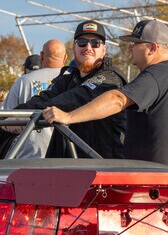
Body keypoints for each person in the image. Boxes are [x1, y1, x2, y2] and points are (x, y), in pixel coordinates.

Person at [43, 20, 168, 172]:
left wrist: (68, 117)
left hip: (158, 180)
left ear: (152, 48)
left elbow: (117, 99)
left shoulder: (155, 76)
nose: (130, 48)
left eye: (135, 44)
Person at [11, 20, 127, 159]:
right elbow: (44, 98)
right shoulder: (68, 78)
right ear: (74, 48)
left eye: (95, 43)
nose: (88, 47)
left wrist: (23, 116)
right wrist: (15, 115)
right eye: (82, 42)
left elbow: (75, 99)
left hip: (104, 168)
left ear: (103, 50)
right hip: (71, 167)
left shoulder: (110, 78)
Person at [1, 39, 67, 158]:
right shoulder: (75, 81)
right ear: (65, 57)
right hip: (69, 157)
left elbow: (4, 119)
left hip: (29, 157)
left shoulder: (24, 81)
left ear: (42, 55)